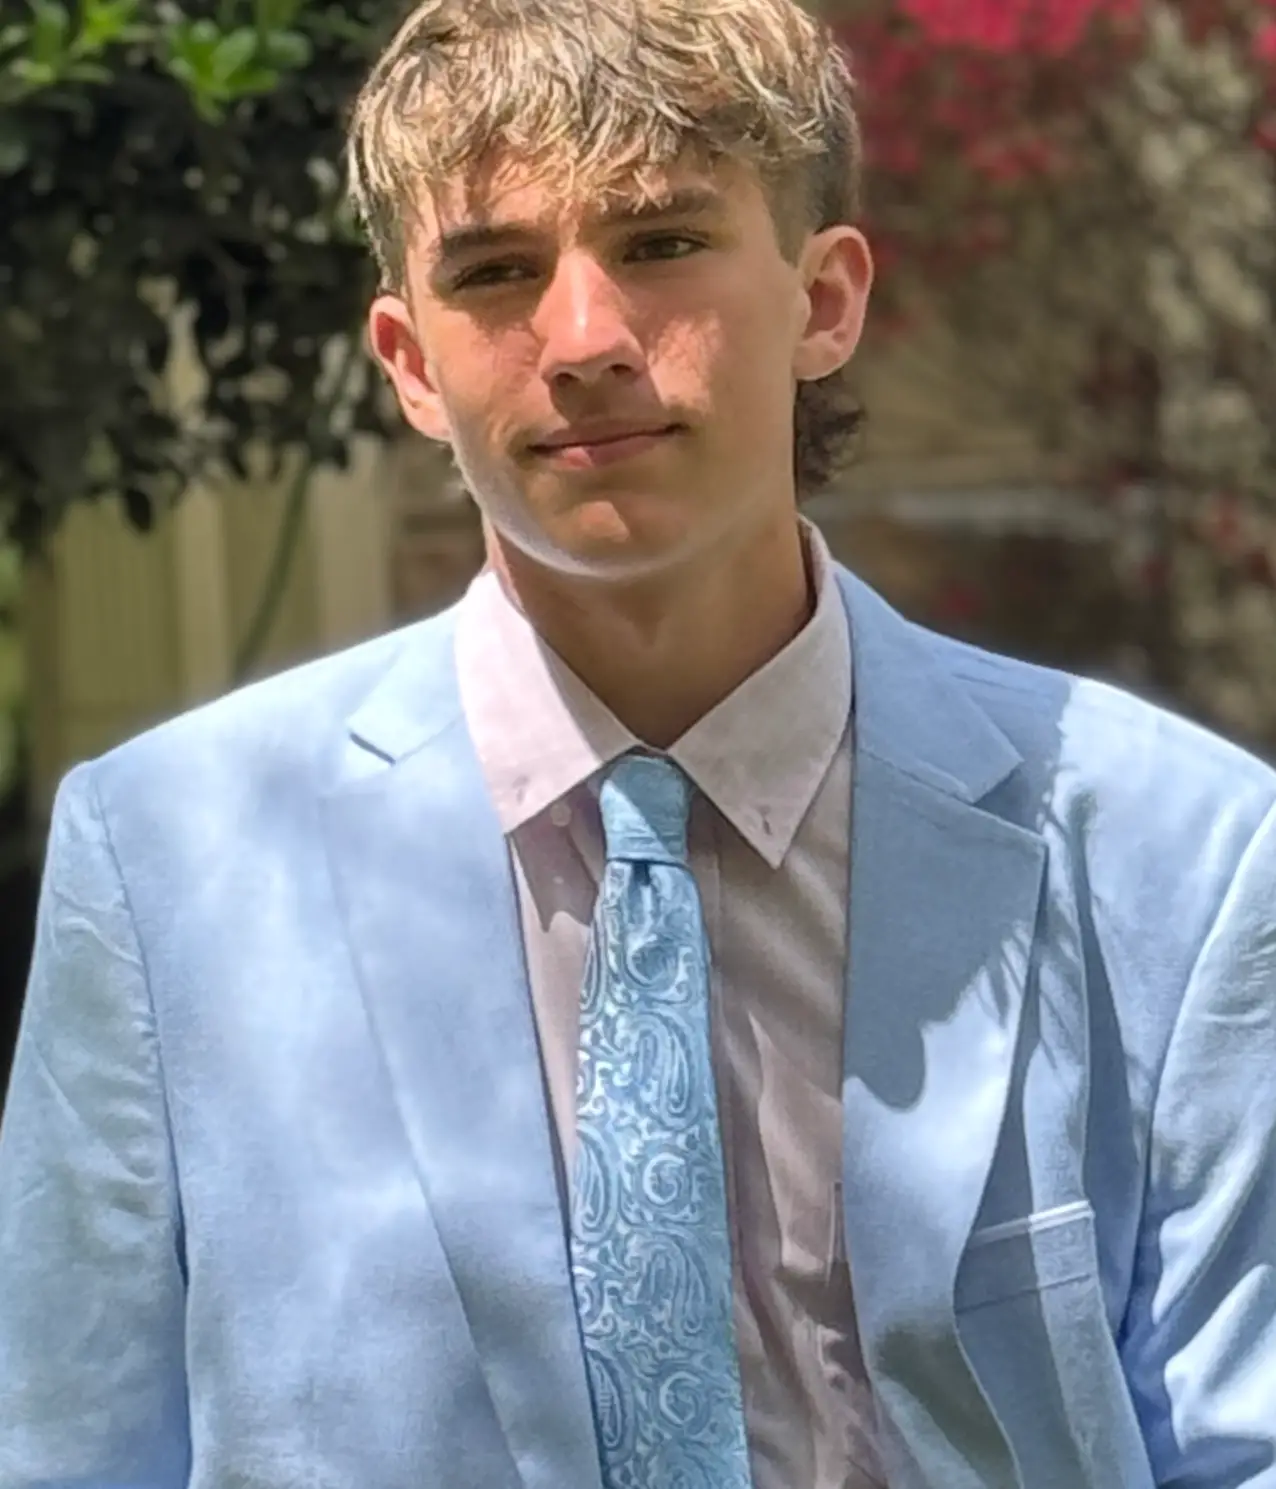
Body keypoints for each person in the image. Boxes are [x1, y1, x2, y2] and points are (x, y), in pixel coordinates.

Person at [3, 0, 1275, 1484]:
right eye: (496, 272)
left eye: (662, 242)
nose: (586, 340)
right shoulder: (168, 864)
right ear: (410, 364)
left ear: (825, 301)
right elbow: (68, 1448)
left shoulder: (1177, 853)